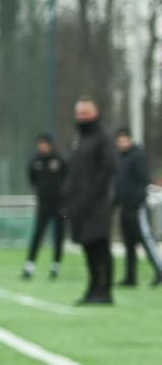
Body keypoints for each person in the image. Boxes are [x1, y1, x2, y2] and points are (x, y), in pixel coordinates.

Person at [66, 99, 116, 305]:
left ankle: (105, 291)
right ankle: (93, 288)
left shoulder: (103, 137)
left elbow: (108, 168)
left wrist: (94, 195)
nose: (82, 116)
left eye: (86, 112)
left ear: (96, 113)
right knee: (87, 247)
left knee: (100, 246)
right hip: (79, 206)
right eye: (79, 113)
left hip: (97, 205)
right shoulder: (78, 139)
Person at [114, 127, 162, 287]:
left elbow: (144, 180)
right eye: (120, 141)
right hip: (125, 207)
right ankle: (130, 277)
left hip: (137, 208)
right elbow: (119, 184)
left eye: (124, 140)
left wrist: (137, 200)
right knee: (128, 243)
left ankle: (160, 270)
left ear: (130, 140)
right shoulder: (119, 158)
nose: (122, 143)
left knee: (146, 239)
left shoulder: (137, 156)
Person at [22, 133, 66, 281]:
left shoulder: (60, 160)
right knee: (38, 234)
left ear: (50, 144)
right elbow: (32, 179)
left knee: (59, 234)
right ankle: (29, 266)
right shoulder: (35, 161)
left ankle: (55, 266)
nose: (42, 146)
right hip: (43, 205)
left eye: (45, 143)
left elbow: (68, 178)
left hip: (62, 207)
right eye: (40, 144)